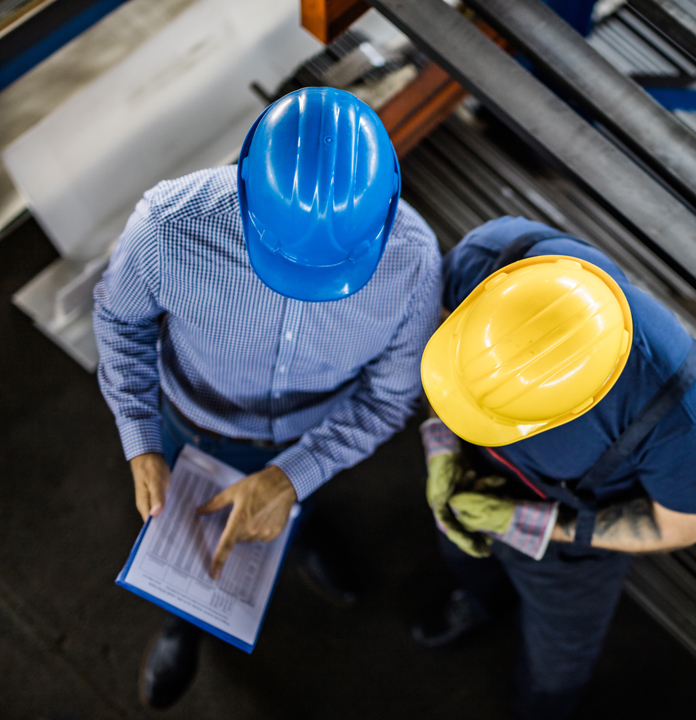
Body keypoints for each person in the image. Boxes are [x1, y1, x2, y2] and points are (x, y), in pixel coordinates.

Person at [93, 87, 441, 709]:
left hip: (313, 436)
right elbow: (120, 323)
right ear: (246, 189)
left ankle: (299, 529)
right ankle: (184, 620)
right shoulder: (169, 226)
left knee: (291, 506)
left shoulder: (413, 263)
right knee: (191, 540)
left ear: (387, 210)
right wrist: (140, 435)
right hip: (189, 424)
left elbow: (389, 399)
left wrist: (292, 477)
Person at [413, 217, 696, 719]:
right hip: (469, 476)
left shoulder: (677, 412)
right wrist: (444, 447)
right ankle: (478, 601)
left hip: (568, 543)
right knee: (465, 559)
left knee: (556, 661)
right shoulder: (493, 257)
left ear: (570, 410)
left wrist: (533, 525)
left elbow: (683, 524)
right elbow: (442, 347)